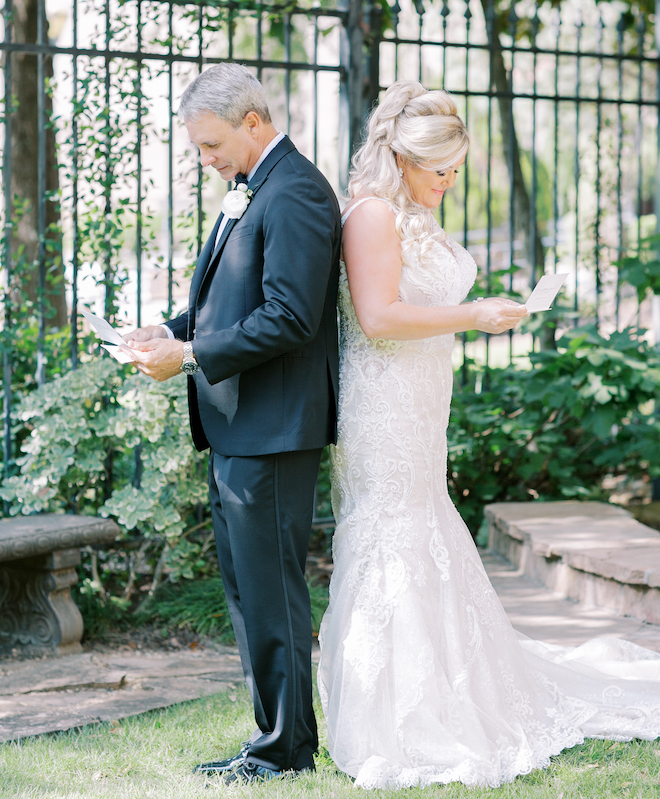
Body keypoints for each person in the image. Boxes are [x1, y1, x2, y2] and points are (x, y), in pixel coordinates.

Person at [317, 80, 660, 789]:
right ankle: (393, 711)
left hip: (419, 398)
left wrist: (480, 314)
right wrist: (472, 314)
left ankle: (446, 681)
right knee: (392, 531)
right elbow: (378, 318)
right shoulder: (373, 215)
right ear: (406, 160)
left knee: (422, 524)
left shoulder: (410, 212)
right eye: (441, 170)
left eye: (456, 172)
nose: (449, 181)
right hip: (382, 405)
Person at [127, 63, 341, 784]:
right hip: (238, 428)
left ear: (253, 122)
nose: (207, 161)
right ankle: (271, 738)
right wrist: (167, 328)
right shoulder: (253, 192)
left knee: (273, 594)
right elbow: (229, 301)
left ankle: (285, 749)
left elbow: (288, 315)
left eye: (211, 146)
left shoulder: (300, 193)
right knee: (250, 593)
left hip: (275, 430)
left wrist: (189, 356)